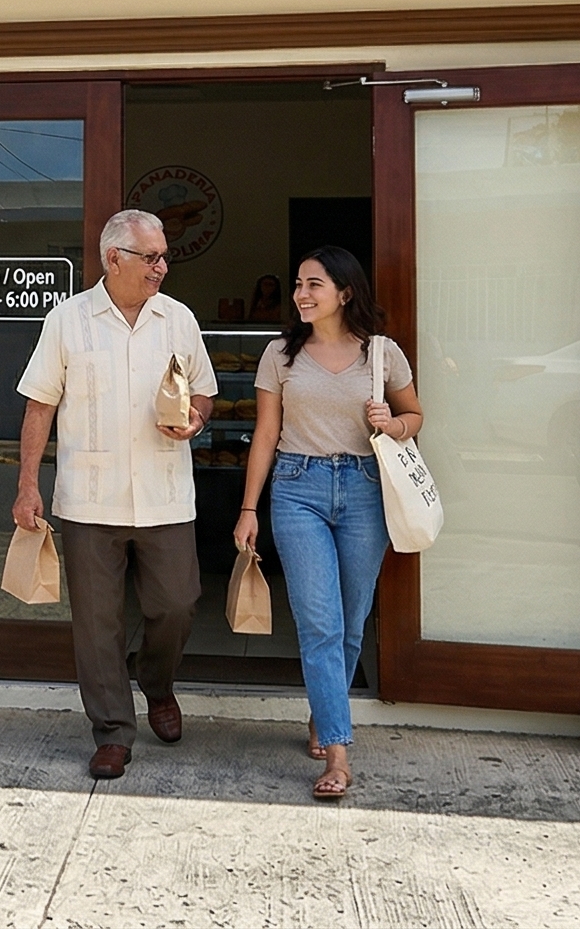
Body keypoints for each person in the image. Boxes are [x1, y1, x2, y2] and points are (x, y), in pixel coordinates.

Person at [13, 209, 216, 780]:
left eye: (163, 256)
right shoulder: (68, 320)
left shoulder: (178, 320)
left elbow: (204, 393)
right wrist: (28, 483)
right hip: (89, 497)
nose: (162, 267)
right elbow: (39, 405)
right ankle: (112, 731)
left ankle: (157, 683)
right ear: (113, 260)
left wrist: (195, 423)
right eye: (150, 257)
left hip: (166, 494)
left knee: (177, 603)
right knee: (96, 623)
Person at [232, 245, 425, 801]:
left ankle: (324, 709)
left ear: (344, 293)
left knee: (351, 618)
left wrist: (394, 424)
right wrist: (248, 508)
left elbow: (416, 415)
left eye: (313, 284)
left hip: (365, 490)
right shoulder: (280, 355)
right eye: (297, 284)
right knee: (320, 620)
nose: (301, 293)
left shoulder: (382, 355)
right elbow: (265, 434)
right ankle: (338, 752)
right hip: (297, 490)